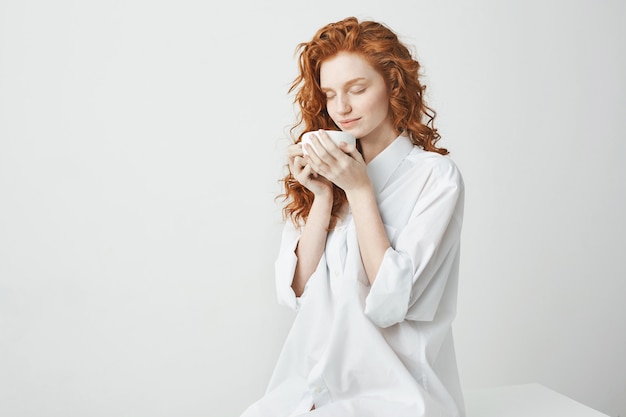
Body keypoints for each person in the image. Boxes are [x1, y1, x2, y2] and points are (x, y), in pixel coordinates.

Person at [241, 16, 465, 417]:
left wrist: (360, 190)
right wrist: (324, 194)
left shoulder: (435, 178)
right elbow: (294, 290)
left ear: (393, 85)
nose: (340, 108)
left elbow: (390, 304)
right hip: (309, 389)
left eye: (357, 90)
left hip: (398, 395)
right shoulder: (325, 170)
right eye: (329, 94)